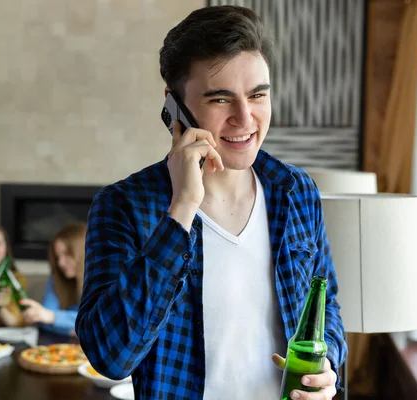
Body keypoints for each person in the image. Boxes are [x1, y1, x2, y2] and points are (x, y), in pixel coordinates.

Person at [75, 6, 347, 400]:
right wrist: (182, 207)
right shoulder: (123, 205)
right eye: (221, 100)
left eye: (257, 95)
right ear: (175, 108)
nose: (245, 118)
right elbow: (111, 357)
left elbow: (328, 308)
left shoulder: (296, 191)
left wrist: (328, 366)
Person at [19, 222, 86, 337]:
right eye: (57, 256)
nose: (60, 263)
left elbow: (96, 322)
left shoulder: (102, 280)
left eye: (66, 254)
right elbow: (44, 322)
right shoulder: (56, 278)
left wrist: (51, 317)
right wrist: (73, 330)